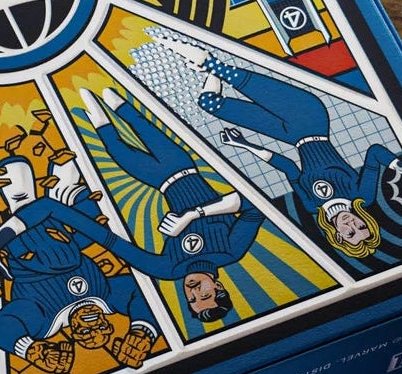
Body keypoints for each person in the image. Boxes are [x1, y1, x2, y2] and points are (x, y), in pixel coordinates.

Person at [158, 34, 400, 262]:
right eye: (361, 226)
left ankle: (208, 64)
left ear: (336, 235)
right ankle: (206, 61)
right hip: (311, 117)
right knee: (229, 74)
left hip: (290, 135)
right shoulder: (361, 195)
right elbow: (375, 152)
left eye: (349, 233)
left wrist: (244, 144)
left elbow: (288, 167)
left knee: (209, 103)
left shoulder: (311, 205)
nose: (351, 224)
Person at [76, 88, 262, 324]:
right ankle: (117, 102)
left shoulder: (167, 270)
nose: (193, 290)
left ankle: (101, 118)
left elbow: (113, 243)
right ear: (217, 285)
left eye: (192, 300)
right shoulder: (231, 251)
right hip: (181, 165)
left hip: (157, 180)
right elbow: (254, 206)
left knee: (116, 148)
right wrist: (193, 215)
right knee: (141, 125)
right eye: (204, 294)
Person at [0, 156, 161, 373]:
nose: (93, 325)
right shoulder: (106, 297)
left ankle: (27, 200)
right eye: (102, 327)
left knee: (17, 184)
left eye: (86, 333)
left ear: (72, 334)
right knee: (81, 195)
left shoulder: (45, 321)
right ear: (110, 323)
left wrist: (32, 350)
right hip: (65, 232)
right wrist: (143, 331)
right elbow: (143, 293)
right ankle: (66, 194)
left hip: (20, 250)